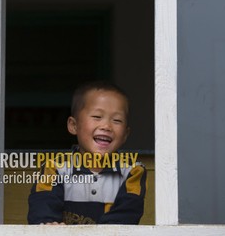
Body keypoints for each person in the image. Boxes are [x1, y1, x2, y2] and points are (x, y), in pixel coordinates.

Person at [28, 81, 147, 225]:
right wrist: (48, 224)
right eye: (97, 117)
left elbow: (127, 215)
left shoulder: (132, 171)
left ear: (125, 135)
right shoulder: (55, 168)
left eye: (117, 120)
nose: (106, 126)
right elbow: (43, 206)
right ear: (74, 125)